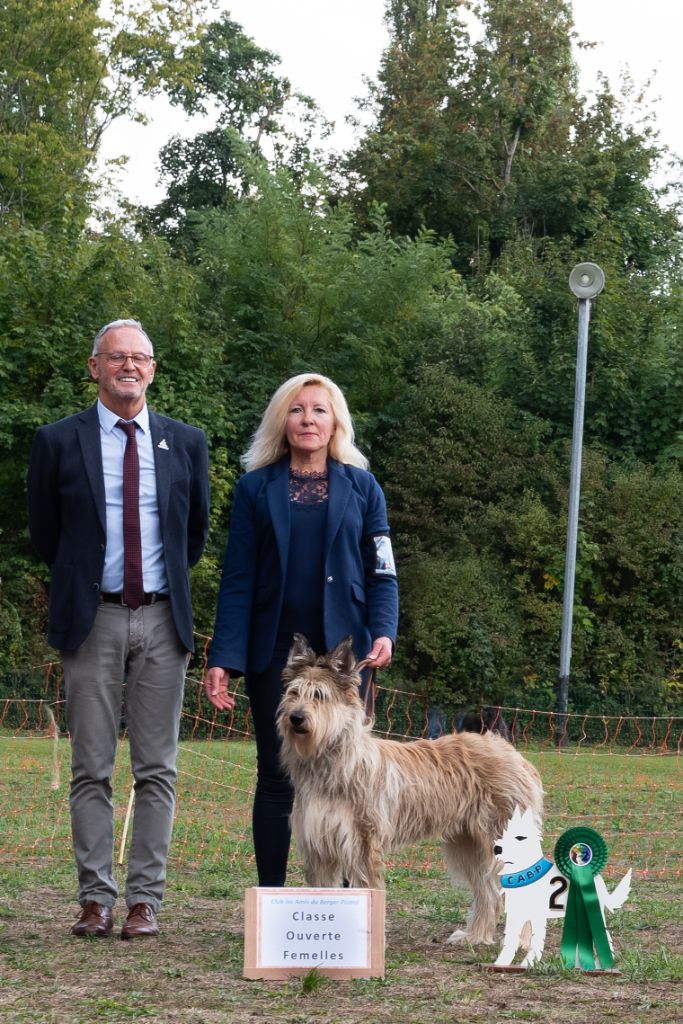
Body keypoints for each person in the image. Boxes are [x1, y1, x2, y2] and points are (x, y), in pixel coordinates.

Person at [27, 319, 210, 939]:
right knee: (92, 768)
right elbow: (47, 534)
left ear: (152, 370)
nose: (128, 366)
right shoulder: (57, 441)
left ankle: (144, 903)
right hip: (92, 619)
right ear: (94, 367)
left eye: (140, 358)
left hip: (162, 618)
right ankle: (95, 899)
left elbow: (192, 536)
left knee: (157, 769)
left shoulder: (186, 442)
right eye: (116, 357)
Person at [204, 372, 398, 887]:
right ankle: (272, 899)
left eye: (318, 410)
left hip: (346, 658)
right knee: (276, 775)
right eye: (296, 409)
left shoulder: (364, 487)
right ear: (281, 421)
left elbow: (382, 571)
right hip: (275, 653)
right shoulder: (254, 489)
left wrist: (384, 630)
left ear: (335, 423)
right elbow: (238, 578)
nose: (307, 419)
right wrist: (224, 656)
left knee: (349, 777)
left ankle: (351, 904)